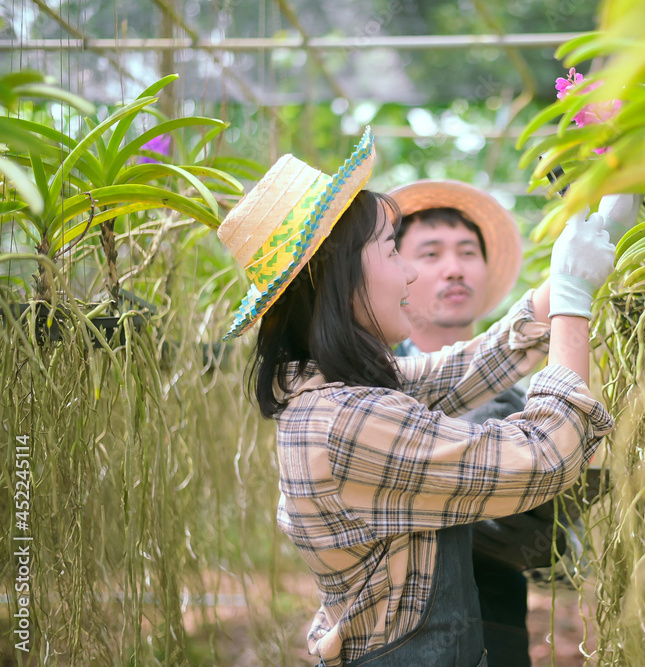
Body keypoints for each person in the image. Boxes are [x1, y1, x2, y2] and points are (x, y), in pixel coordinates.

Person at [213, 127, 617, 667]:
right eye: (391, 249)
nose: (409, 272)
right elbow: (544, 456)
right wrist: (573, 298)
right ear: (333, 272)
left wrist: (593, 242)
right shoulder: (347, 421)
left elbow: (461, 369)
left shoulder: (329, 393)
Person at [388, 180, 544, 666]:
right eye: (430, 253)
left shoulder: (522, 397)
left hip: (497, 629)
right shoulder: (368, 395)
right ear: (394, 271)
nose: (454, 269)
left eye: (467, 252)